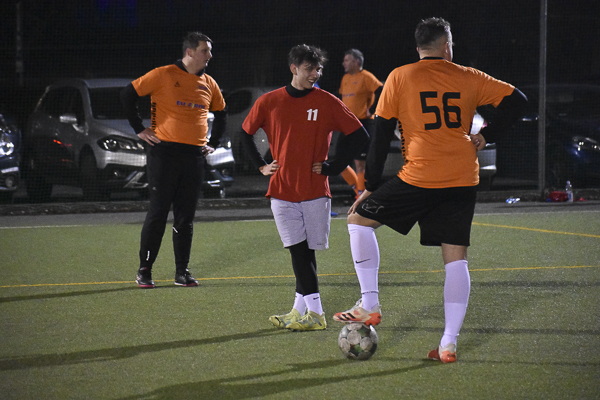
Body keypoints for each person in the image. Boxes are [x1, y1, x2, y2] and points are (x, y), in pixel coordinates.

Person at [333, 17, 527, 362]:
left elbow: (380, 136)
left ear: (418, 47)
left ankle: (370, 303)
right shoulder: (469, 76)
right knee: (455, 258)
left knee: (358, 220)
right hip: (463, 178)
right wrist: (487, 135)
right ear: (447, 46)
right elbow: (519, 101)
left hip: (420, 176)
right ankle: (448, 343)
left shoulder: (400, 76)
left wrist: (369, 187)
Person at [240, 44, 369, 331]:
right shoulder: (269, 101)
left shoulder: (327, 101)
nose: (315, 74)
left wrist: (335, 166)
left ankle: (300, 311)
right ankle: (315, 313)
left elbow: (360, 135)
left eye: (318, 69)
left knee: (304, 254)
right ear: (294, 68)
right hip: (281, 190)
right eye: (310, 68)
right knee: (298, 252)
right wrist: (261, 165)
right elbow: (245, 133)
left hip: (314, 191)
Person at [121, 32, 227, 288]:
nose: (209, 55)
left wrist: (213, 142)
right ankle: (145, 270)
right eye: (204, 50)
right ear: (189, 52)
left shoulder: (209, 83)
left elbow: (222, 113)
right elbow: (127, 94)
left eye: (210, 50)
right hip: (165, 154)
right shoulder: (163, 74)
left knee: (185, 217)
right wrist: (139, 128)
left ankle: (182, 272)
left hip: (193, 157)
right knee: (158, 213)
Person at [337, 49, 383, 198]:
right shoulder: (345, 78)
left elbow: (381, 90)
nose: (343, 63)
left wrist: (373, 109)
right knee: (339, 162)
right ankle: (360, 193)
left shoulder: (366, 76)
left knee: (360, 163)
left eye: (347, 60)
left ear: (356, 62)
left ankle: (361, 198)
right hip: (346, 125)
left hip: (362, 123)